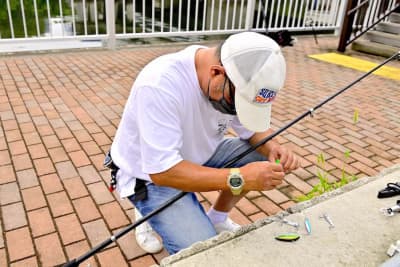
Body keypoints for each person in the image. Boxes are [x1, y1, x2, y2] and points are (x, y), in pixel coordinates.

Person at [109, 31, 300, 255]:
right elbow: (163, 171)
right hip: (150, 175)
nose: (237, 111)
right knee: (204, 253)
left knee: (261, 154)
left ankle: (217, 219)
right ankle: (146, 210)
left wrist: (273, 147)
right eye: (235, 104)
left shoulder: (232, 79)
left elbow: (253, 132)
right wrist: (241, 178)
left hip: (195, 154)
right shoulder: (158, 85)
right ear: (216, 72)